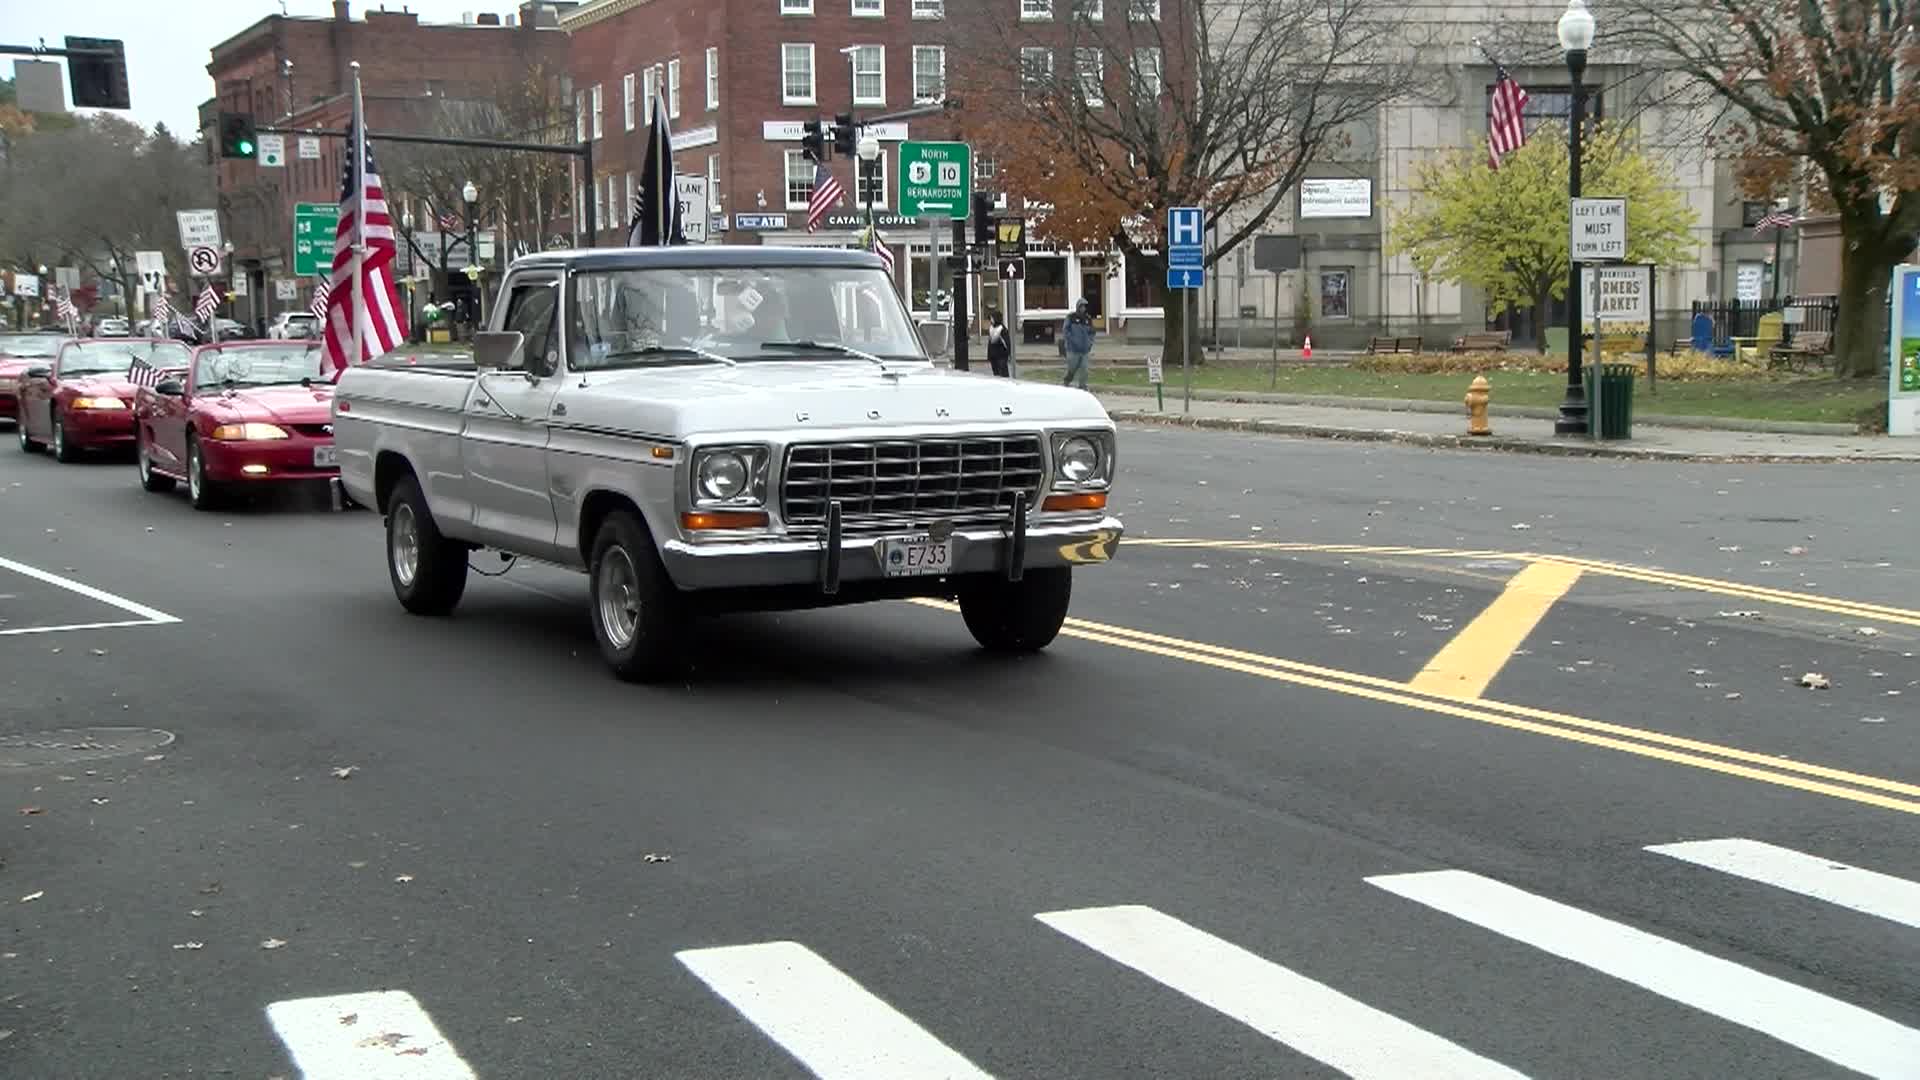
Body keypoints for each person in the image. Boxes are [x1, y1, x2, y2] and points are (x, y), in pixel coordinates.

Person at [1059, 298, 1095, 389]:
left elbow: (1092, 332)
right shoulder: (1071, 317)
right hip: (1073, 349)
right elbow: (1065, 330)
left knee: (1084, 369)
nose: (1083, 308)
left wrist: (1090, 343)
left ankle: (1082, 385)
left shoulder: (1088, 319)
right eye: (1081, 306)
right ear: (1078, 307)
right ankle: (1066, 381)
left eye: (1084, 307)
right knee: (1072, 368)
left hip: (1084, 350)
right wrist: (1070, 340)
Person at [985, 311, 1011, 378]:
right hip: (993, 356)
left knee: (1003, 374)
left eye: (992, 318)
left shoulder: (1002, 329)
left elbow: (1007, 343)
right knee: (996, 375)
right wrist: (989, 355)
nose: (991, 320)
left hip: (1001, 356)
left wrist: (1008, 354)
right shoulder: (991, 328)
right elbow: (990, 344)